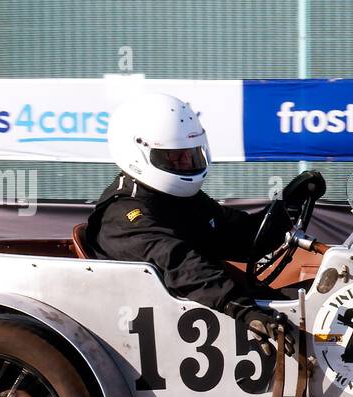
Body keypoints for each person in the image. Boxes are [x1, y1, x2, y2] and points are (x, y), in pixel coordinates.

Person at [86, 91, 292, 349]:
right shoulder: (124, 216)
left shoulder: (177, 199)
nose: (186, 163)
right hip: (153, 332)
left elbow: (238, 237)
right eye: (175, 157)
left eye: (190, 154)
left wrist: (285, 213)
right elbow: (180, 263)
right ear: (138, 152)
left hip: (198, 310)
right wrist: (240, 307)